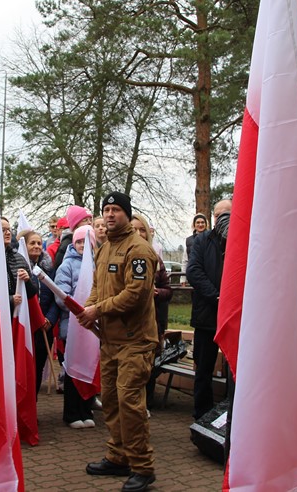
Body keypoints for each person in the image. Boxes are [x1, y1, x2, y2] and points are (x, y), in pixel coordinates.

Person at [79, 192, 158, 492]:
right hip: (110, 340)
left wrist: (97, 310)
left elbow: (135, 295)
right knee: (111, 401)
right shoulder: (104, 248)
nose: (110, 215)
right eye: (106, 209)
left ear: (127, 213)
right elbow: (98, 287)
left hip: (136, 341)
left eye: (116, 210)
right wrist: (88, 308)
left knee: (129, 403)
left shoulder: (139, 250)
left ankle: (143, 468)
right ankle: (118, 456)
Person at [185, 199, 231, 420]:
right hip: (207, 315)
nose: (222, 219)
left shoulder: (242, 238)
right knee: (203, 368)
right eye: (218, 215)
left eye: (227, 214)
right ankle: (202, 414)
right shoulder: (202, 240)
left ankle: (232, 412)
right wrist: (216, 296)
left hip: (233, 316)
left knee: (236, 369)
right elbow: (193, 271)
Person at [130, 213, 173, 413]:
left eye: (142, 230)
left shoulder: (155, 259)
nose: (139, 233)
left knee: (149, 364)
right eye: (134, 229)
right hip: (129, 324)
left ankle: (147, 402)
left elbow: (168, 290)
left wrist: (157, 293)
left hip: (152, 321)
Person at [55, 226, 96, 428]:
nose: (82, 246)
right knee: (73, 370)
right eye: (79, 242)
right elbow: (61, 295)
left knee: (89, 367)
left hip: (92, 326)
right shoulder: (67, 265)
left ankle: (86, 409)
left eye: (86, 242)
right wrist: (80, 308)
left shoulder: (97, 264)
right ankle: (71, 413)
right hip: (72, 324)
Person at [23, 230, 59, 394]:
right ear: (24, 245)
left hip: (44, 326)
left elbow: (56, 297)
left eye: (39, 243)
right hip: (25, 326)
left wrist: (49, 319)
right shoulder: (19, 268)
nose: (37, 246)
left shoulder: (49, 269)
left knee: (37, 368)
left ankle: (33, 401)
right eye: (32, 243)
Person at [52, 205, 93, 271]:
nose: (89, 222)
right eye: (85, 220)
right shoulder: (67, 245)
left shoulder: (92, 241)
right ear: (75, 225)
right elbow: (61, 272)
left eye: (91, 220)